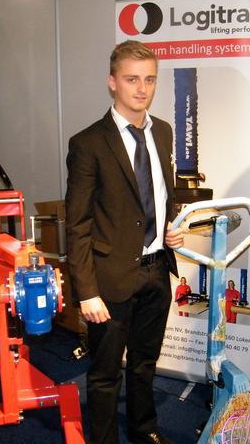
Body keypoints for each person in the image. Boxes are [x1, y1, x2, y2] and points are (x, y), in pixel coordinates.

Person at [65, 40, 183, 444]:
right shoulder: (88, 143)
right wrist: (86, 292)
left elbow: (158, 195)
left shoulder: (163, 132)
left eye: (149, 79)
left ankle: (143, 429)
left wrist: (168, 228)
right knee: (104, 373)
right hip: (110, 279)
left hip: (156, 271)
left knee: (145, 363)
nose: (142, 89)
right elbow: (77, 224)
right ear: (112, 82)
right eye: (132, 79)